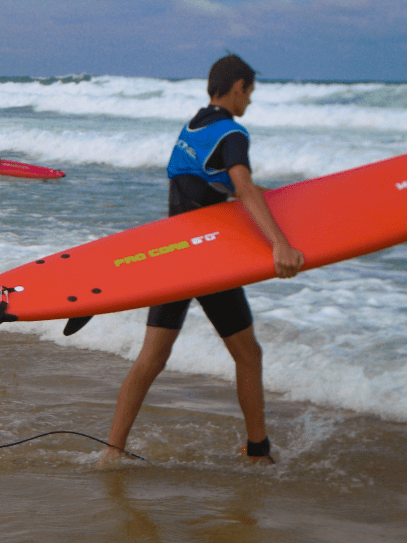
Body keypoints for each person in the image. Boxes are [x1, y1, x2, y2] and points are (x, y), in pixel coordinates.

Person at [101, 54, 305, 465]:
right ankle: (258, 452)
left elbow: (212, 185)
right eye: (250, 93)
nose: (249, 102)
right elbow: (242, 188)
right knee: (249, 356)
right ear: (238, 88)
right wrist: (279, 243)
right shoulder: (233, 133)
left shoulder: (192, 127)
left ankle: (111, 453)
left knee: (151, 359)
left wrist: (290, 198)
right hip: (207, 262)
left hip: (173, 257)